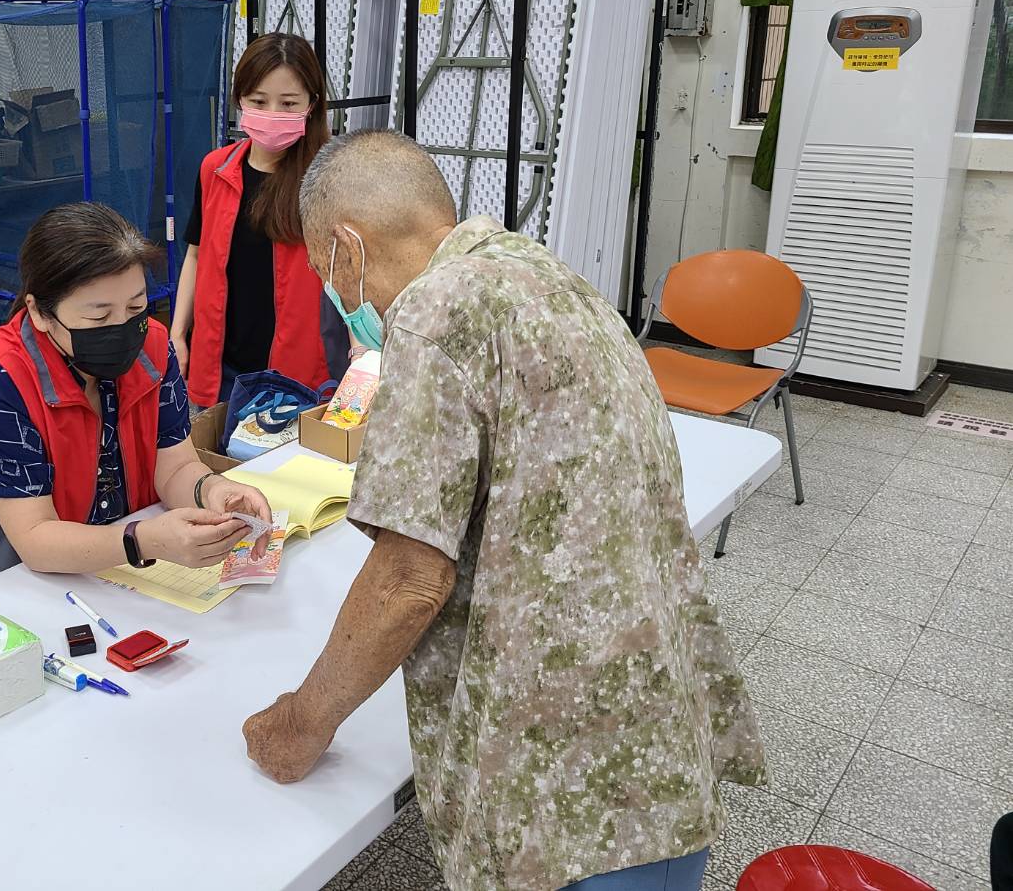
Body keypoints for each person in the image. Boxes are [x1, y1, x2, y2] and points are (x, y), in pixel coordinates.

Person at [242, 131, 767, 891]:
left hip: (561, 769)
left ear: (346, 247)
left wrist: (300, 723)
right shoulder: (539, 272)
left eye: (326, 268)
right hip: (649, 725)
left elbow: (406, 583)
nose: (338, 294)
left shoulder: (431, 311)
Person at [0, 202, 272, 583]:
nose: (123, 328)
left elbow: (175, 468)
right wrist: (142, 541)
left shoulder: (153, 348)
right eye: (99, 317)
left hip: (116, 570)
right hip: (11, 585)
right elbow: (35, 539)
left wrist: (214, 490)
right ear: (40, 312)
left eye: (136, 307)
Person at [171, 32, 339, 408]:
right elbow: (196, 256)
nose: (273, 114)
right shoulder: (216, 169)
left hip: (299, 377)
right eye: (259, 101)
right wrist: (179, 333)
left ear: (312, 104)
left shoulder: (330, 178)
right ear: (240, 100)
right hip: (221, 368)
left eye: (289, 103)